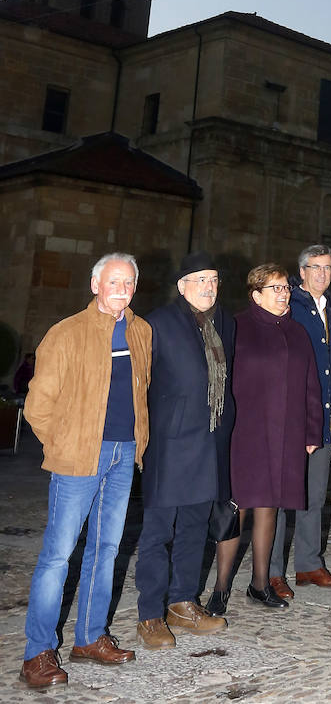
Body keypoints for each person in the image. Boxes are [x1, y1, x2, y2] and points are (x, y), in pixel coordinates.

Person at [20, 254, 151, 689]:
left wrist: (138, 441)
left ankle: (90, 637)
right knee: (58, 554)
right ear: (95, 283)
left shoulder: (140, 330)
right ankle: (37, 652)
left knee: (107, 548)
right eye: (114, 281)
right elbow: (39, 404)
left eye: (128, 282)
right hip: (79, 456)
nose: (122, 288)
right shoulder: (66, 332)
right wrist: (65, 444)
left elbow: (141, 389)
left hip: (123, 453)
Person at [205, 264, 322, 614]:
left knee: (269, 507)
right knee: (237, 508)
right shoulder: (236, 326)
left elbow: (310, 386)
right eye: (275, 288)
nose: (284, 293)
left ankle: (259, 584)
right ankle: (220, 588)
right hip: (245, 432)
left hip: (286, 433)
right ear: (256, 294)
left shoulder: (299, 333)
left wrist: (313, 431)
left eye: (285, 287)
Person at [135, 253, 235, 648]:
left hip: (209, 443)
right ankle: (149, 615)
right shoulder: (158, 322)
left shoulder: (223, 322)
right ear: (182, 286)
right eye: (200, 280)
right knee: (159, 532)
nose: (209, 287)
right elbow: (140, 381)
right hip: (170, 443)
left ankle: (182, 602)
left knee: (195, 529)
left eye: (213, 279)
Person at [269, 245, 331, 597]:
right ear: (301, 272)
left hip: (325, 416)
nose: (322, 274)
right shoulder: (290, 306)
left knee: (315, 496)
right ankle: (270, 571)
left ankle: (308, 564)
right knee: (283, 498)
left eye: (328, 268)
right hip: (293, 418)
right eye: (315, 268)